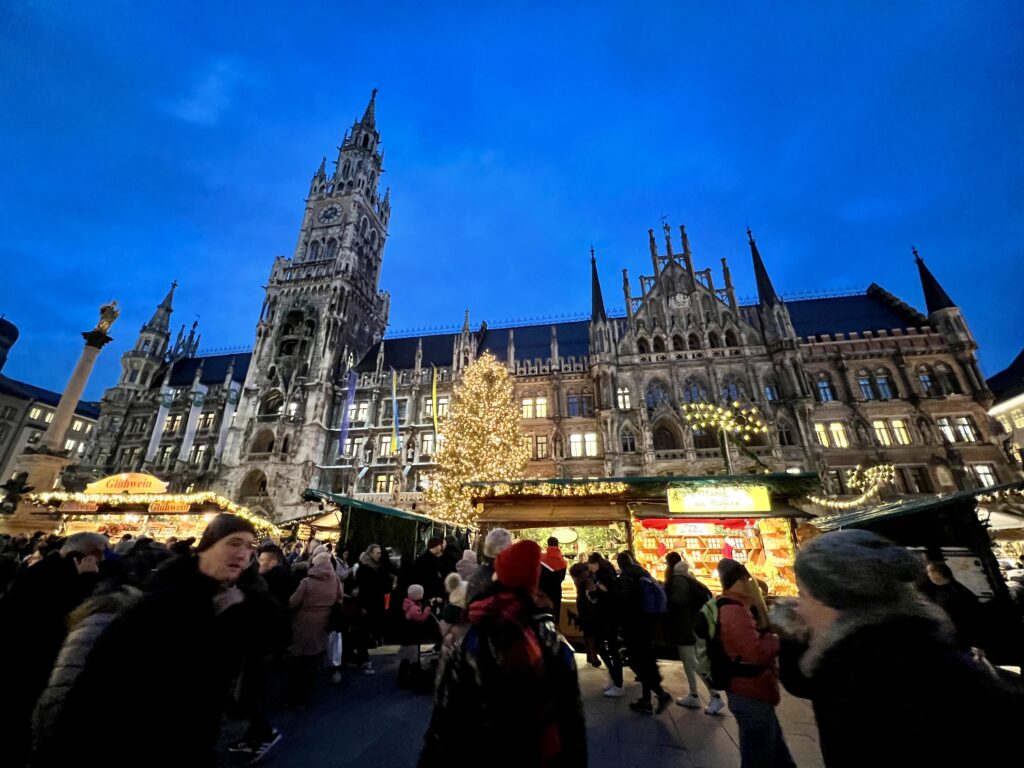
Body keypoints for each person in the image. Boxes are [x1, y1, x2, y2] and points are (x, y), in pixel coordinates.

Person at [35, 514, 262, 768]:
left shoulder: (223, 607)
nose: (243, 554)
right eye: (234, 543)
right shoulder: (152, 611)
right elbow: (86, 701)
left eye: (249, 547)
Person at [781, 530, 1022, 767]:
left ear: (835, 600)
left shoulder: (864, 675)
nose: (799, 608)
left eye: (804, 595)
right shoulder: (917, 644)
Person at [419, 540, 587, 767]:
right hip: (537, 752)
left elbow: (447, 715)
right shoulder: (555, 643)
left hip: (479, 751)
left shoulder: (475, 635)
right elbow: (571, 719)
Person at [0, 531, 107, 767]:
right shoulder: (59, 576)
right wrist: (87, 580)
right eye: (99, 554)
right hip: (34, 660)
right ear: (84, 554)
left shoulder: (44, 571)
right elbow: (69, 614)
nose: (102, 560)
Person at [714, 558, 794, 768]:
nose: (751, 582)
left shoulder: (740, 606)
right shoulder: (734, 610)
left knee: (775, 753)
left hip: (756, 690)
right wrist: (778, 638)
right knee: (759, 756)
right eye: (746, 578)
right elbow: (754, 652)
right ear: (738, 580)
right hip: (748, 690)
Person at [616, 551, 672, 714]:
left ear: (620, 565)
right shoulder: (644, 573)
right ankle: (646, 700)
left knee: (637, 661)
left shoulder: (626, 579)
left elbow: (624, 602)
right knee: (646, 660)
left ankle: (660, 694)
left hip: (633, 625)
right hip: (648, 623)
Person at [666, 559, 724, 714]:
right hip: (696, 627)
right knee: (691, 662)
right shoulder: (695, 584)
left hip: (685, 629)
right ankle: (694, 694)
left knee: (693, 663)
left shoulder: (678, 582)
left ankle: (714, 695)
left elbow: (676, 602)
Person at [286, 551, 343, 706]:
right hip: (323, 623)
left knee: (298, 661)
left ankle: (292, 696)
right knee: (313, 662)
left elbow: (293, 602)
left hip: (303, 623)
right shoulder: (335, 581)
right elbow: (340, 598)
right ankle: (306, 696)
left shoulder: (307, 582)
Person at [587, 552, 625, 697]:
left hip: (608, 617)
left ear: (596, 563)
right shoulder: (603, 573)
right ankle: (614, 679)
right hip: (606, 616)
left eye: (591, 565)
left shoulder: (605, 575)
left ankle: (618, 683)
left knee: (610, 649)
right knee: (607, 647)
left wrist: (596, 588)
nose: (590, 568)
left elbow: (609, 593)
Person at [923, 561, 981, 650]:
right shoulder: (947, 589)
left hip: (959, 636)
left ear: (937, 573)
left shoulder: (957, 592)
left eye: (929, 572)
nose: (928, 575)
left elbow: (964, 617)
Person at [355, 543, 392, 674]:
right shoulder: (364, 569)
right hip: (368, 604)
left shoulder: (378, 567)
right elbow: (365, 589)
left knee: (367, 631)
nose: (379, 555)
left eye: (380, 553)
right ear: (370, 554)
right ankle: (363, 660)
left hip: (376, 603)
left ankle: (363, 658)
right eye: (377, 553)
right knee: (363, 633)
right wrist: (363, 606)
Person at [397, 583, 435, 688]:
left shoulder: (407, 604)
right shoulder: (414, 608)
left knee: (405, 658)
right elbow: (421, 618)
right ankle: (417, 682)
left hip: (406, 637)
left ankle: (401, 680)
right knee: (414, 659)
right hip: (412, 637)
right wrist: (427, 609)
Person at [466, 527, 513, 602]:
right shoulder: (497, 573)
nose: (512, 551)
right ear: (500, 549)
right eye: (510, 547)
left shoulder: (481, 570)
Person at [539, 536, 568, 625]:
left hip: (542, 591)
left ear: (547, 544)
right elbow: (562, 578)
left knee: (543, 613)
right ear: (557, 545)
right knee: (555, 613)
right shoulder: (563, 562)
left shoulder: (540, 558)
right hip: (556, 591)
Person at [413, 537, 446, 602]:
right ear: (435, 545)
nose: (441, 548)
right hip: (427, 594)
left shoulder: (427, 558)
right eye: (440, 545)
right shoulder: (426, 560)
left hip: (428, 594)